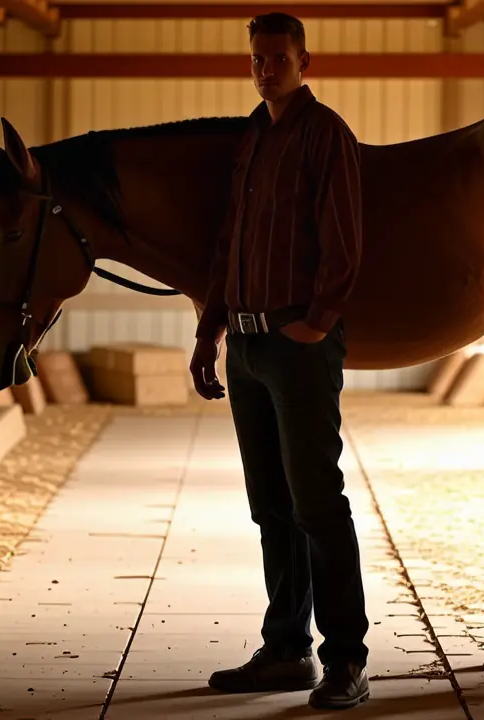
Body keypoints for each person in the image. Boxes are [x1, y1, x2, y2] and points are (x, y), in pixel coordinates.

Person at [188, 11, 369, 712]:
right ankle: (287, 649)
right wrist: (210, 332)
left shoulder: (326, 136)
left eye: (277, 58)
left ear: (304, 62)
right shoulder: (253, 139)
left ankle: (346, 660)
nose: (265, 69)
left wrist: (317, 323)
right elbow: (228, 241)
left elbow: (345, 240)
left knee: (318, 502)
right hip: (246, 346)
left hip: (296, 347)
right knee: (272, 507)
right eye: (257, 58)